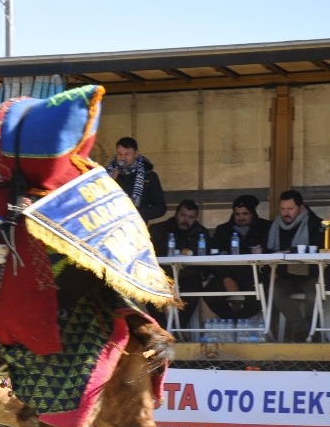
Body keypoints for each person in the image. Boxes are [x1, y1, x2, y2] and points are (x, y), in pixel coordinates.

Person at [266, 189, 326, 342]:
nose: (286, 213)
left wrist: (289, 251)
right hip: (287, 277)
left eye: (290, 209)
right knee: (274, 291)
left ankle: (313, 334)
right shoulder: (275, 226)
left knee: (313, 293)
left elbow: (319, 248)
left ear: (301, 207)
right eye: (282, 209)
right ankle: (304, 330)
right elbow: (269, 249)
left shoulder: (316, 224)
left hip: (312, 275)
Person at [206, 194, 272, 320]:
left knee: (260, 296)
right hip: (229, 274)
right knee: (209, 294)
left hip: (254, 275)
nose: (241, 217)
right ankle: (231, 321)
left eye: (245, 214)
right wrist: (225, 278)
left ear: (252, 213)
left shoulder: (265, 227)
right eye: (237, 214)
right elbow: (213, 258)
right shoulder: (223, 230)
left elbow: (272, 252)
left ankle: (238, 323)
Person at [148, 200, 213, 329]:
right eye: (183, 215)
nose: (186, 220)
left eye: (190, 217)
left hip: (188, 276)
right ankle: (163, 330)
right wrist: (179, 251)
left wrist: (200, 273)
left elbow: (206, 258)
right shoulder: (159, 228)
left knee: (193, 290)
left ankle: (178, 330)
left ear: (195, 218)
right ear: (176, 214)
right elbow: (152, 251)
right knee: (149, 291)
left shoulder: (201, 233)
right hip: (162, 275)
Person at [107, 136, 166, 222]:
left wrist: (134, 213)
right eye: (119, 154)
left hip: (137, 226)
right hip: (111, 225)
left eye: (127, 154)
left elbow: (160, 208)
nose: (123, 158)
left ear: (136, 154)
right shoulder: (107, 174)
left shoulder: (149, 176)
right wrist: (109, 182)